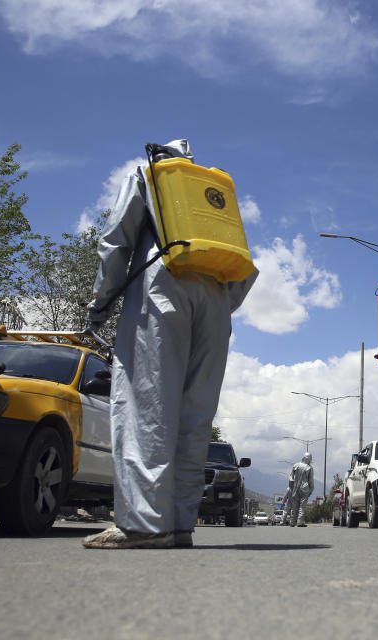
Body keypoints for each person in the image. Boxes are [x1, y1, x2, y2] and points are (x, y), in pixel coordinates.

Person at [81, 139, 258, 549]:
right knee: (194, 417)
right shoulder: (213, 188)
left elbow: (115, 241)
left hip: (162, 284)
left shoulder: (150, 174)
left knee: (148, 409)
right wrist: (217, 306)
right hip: (216, 296)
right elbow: (243, 263)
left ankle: (144, 525)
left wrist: (100, 305)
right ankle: (179, 524)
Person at [285, 452, 314, 526]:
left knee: (295, 506)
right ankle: (300, 522)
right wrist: (311, 489)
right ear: (308, 459)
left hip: (295, 488)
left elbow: (291, 478)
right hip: (305, 488)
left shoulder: (295, 465)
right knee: (302, 506)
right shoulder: (309, 468)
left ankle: (292, 522)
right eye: (310, 459)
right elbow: (311, 481)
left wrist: (291, 488)